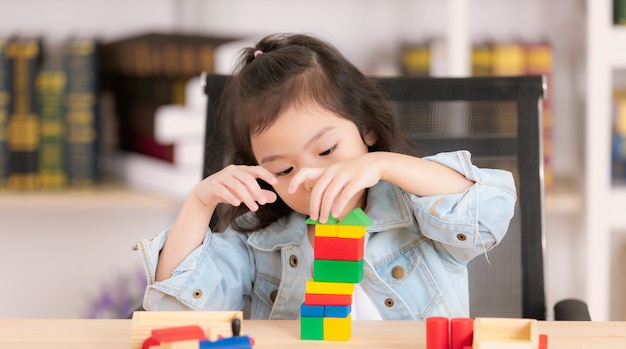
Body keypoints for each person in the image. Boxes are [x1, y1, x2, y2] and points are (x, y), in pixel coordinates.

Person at [136, 33, 516, 320]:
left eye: (327, 151)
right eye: (283, 170)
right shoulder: (258, 243)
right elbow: (174, 313)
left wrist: (383, 165)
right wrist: (199, 204)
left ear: (366, 128)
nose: (310, 178)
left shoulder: (419, 212)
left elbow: (487, 214)